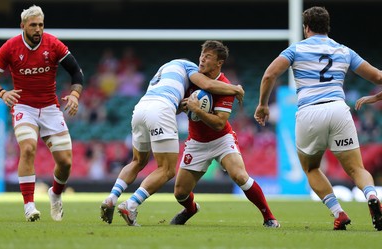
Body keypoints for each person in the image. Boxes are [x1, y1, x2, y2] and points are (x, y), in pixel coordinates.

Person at [254, 6, 382, 231]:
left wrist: (263, 105)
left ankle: (339, 213)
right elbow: (378, 76)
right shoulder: (344, 51)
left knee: (311, 168)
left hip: (309, 112)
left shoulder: (296, 50)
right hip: (338, 110)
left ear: (306, 28)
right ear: (327, 27)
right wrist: (376, 97)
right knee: (356, 169)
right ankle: (371, 195)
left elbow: (269, 75)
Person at [100, 58, 244, 226]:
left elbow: (172, 97)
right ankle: (130, 205)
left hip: (140, 108)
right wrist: (236, 88)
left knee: (137, 161)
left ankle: (111, 198)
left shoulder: (164, 69)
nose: (202, 62)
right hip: (160, 109)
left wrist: (180, 106)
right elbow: (208, 85)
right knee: (167, 170)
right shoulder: (188, 66)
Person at [0, 5, 84, 222]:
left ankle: (55, 194)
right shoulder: (10, 47)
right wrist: (3, 93)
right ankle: (29, 205)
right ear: (23, 26)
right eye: (33, 25)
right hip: (23, 107)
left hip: (50, 107)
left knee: (66, 162)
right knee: (28, 148)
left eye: (40, 24)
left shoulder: (53, 44)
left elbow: (76, 72)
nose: (38, 29)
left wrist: (75, 95)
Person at [170, 40, 280, 228]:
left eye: (208, 57)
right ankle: (190, 209)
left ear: (219, 63)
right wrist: (182, 107)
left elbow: (220, 123)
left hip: (221, 139)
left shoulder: (225, 87)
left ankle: (269, 217)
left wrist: (197, 110)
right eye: (202, 56)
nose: (202, 60)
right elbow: (179, 108)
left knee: (239, 176)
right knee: (180, 192)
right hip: (196, 142)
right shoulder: (192, 79)